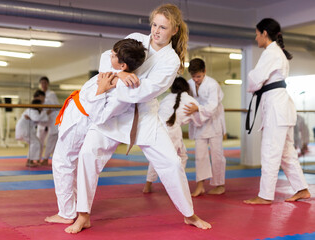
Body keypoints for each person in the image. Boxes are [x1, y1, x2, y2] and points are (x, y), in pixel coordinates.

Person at [66, 4, 211, 234]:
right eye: (154, 25)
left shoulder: (170, 61)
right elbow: (109, 57)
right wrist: (120, 73)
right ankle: (83, 215)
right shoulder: (136, 38)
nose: (156, 31)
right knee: (87, 154)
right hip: (113, 112)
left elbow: (144, 91)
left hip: (143, 116)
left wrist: (114, 81)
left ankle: (189, 214)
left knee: (172, 163)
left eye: (163, 27)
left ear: (174, 30)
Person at [45, 38, 146, 224]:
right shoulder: (113, 70)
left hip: (81, 123)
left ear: (123, 64)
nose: (110, 56)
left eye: (115, 56)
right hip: (74, 116)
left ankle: (66, 213)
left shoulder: (122, 92)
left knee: (63, 163)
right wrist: (119, 74)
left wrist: (101, 90)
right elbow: (105, 54)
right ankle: (71, 209)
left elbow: (100, 118)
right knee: (68, 165)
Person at [244, 18, 310, 204]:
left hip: (277, 109)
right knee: (286, 153)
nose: (256, 38)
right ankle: (302, 189)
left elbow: (255, 79)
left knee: (270, 152)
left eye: (257, 34)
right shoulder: (276, 52)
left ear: (265, 33)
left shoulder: (271, 52)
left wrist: (252, 79)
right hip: (281, 108)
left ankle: (265, 195)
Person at [142, 76, 202, 193]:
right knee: (180, 157)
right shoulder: (191, 101)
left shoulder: (167, 98)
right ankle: (176, 185)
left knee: (156, 157)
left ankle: (148, 185)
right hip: (172, 130)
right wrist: (198, 109)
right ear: (186, 88)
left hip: (158, 129)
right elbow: (199, 120)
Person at [184, 58, 226, 197]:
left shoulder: (212, 84)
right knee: (200, 155)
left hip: (213, 123)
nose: (196, 79)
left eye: (199, 76)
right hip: (199, 124)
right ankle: (200, 185)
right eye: (193, 76)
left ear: (204, 72)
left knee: (217, 155)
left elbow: (212, 106)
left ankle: (219, 185)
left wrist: (197, 108)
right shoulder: (189, 84)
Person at [15, 99, 49, 167]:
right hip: (24, 129)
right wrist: (46, 113)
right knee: (35, 142)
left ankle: (31, 160)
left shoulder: (35, 112)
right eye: (41, 105)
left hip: (26, 129)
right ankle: (30, 161)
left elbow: (41, 120)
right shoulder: (32, 111)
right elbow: (36, 119)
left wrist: (44, 115)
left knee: (36, 142)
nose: (42, 107)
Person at [37, 76, 60, 166]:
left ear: (47, 84)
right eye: (41, 83)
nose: (43, 85)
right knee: (39, 139)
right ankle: (38, 158)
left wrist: (47, 112)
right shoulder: (39, 95)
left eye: (45, 83)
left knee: (51, 140)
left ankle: (46, 159)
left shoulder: (51, 94)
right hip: (45, 120)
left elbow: (55, 106)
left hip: (53, 119)